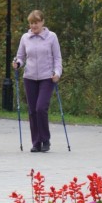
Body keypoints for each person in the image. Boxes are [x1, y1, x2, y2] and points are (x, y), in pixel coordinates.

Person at [12, 10, 62, 153]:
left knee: (41, 108)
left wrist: (57, 73)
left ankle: (45, 139)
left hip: (47, 77)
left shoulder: (51, 37)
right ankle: (36, 142)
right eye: (31, 23)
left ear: (42, 22)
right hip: (30, 77)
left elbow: (57, 58)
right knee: (32, 111)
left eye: (36, 22)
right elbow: (20, 56)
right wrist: (17, 63)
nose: (33, 26)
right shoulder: (25, 37)